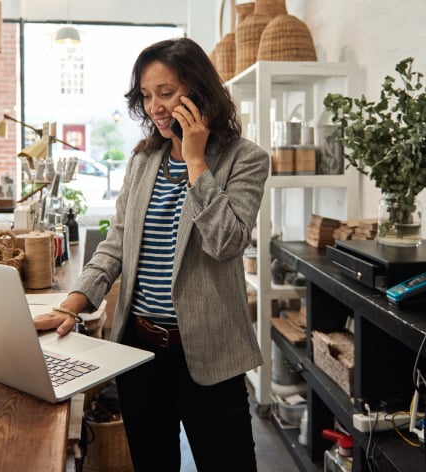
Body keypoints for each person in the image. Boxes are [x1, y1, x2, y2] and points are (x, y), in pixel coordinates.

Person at [33, 37, 269, 471]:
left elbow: (227, 242)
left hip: (211, 355)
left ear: (199, 92)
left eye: (166, 92)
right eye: (146, 95)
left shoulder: (244, 159)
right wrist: (74, 301)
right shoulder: (143, 162)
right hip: (139, 352)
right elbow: (116, 244)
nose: (155, 107)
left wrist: (196, 162)